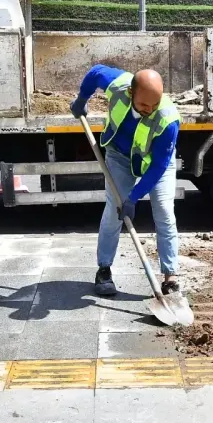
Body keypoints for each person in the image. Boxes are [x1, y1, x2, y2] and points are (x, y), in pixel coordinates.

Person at [70, 65, 181, 297]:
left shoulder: (169, 120)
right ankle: (104, 270)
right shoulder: (119, 85)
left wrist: (135, 196)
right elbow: (94, 73)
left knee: (164, 211)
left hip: (153, 162)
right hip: (119, 155)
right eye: (143, 105)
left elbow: (160, 165)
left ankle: (170, 278)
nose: (149, 110)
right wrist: (81, 100)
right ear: (131, 94)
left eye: (155, 105)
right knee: (114, 210)